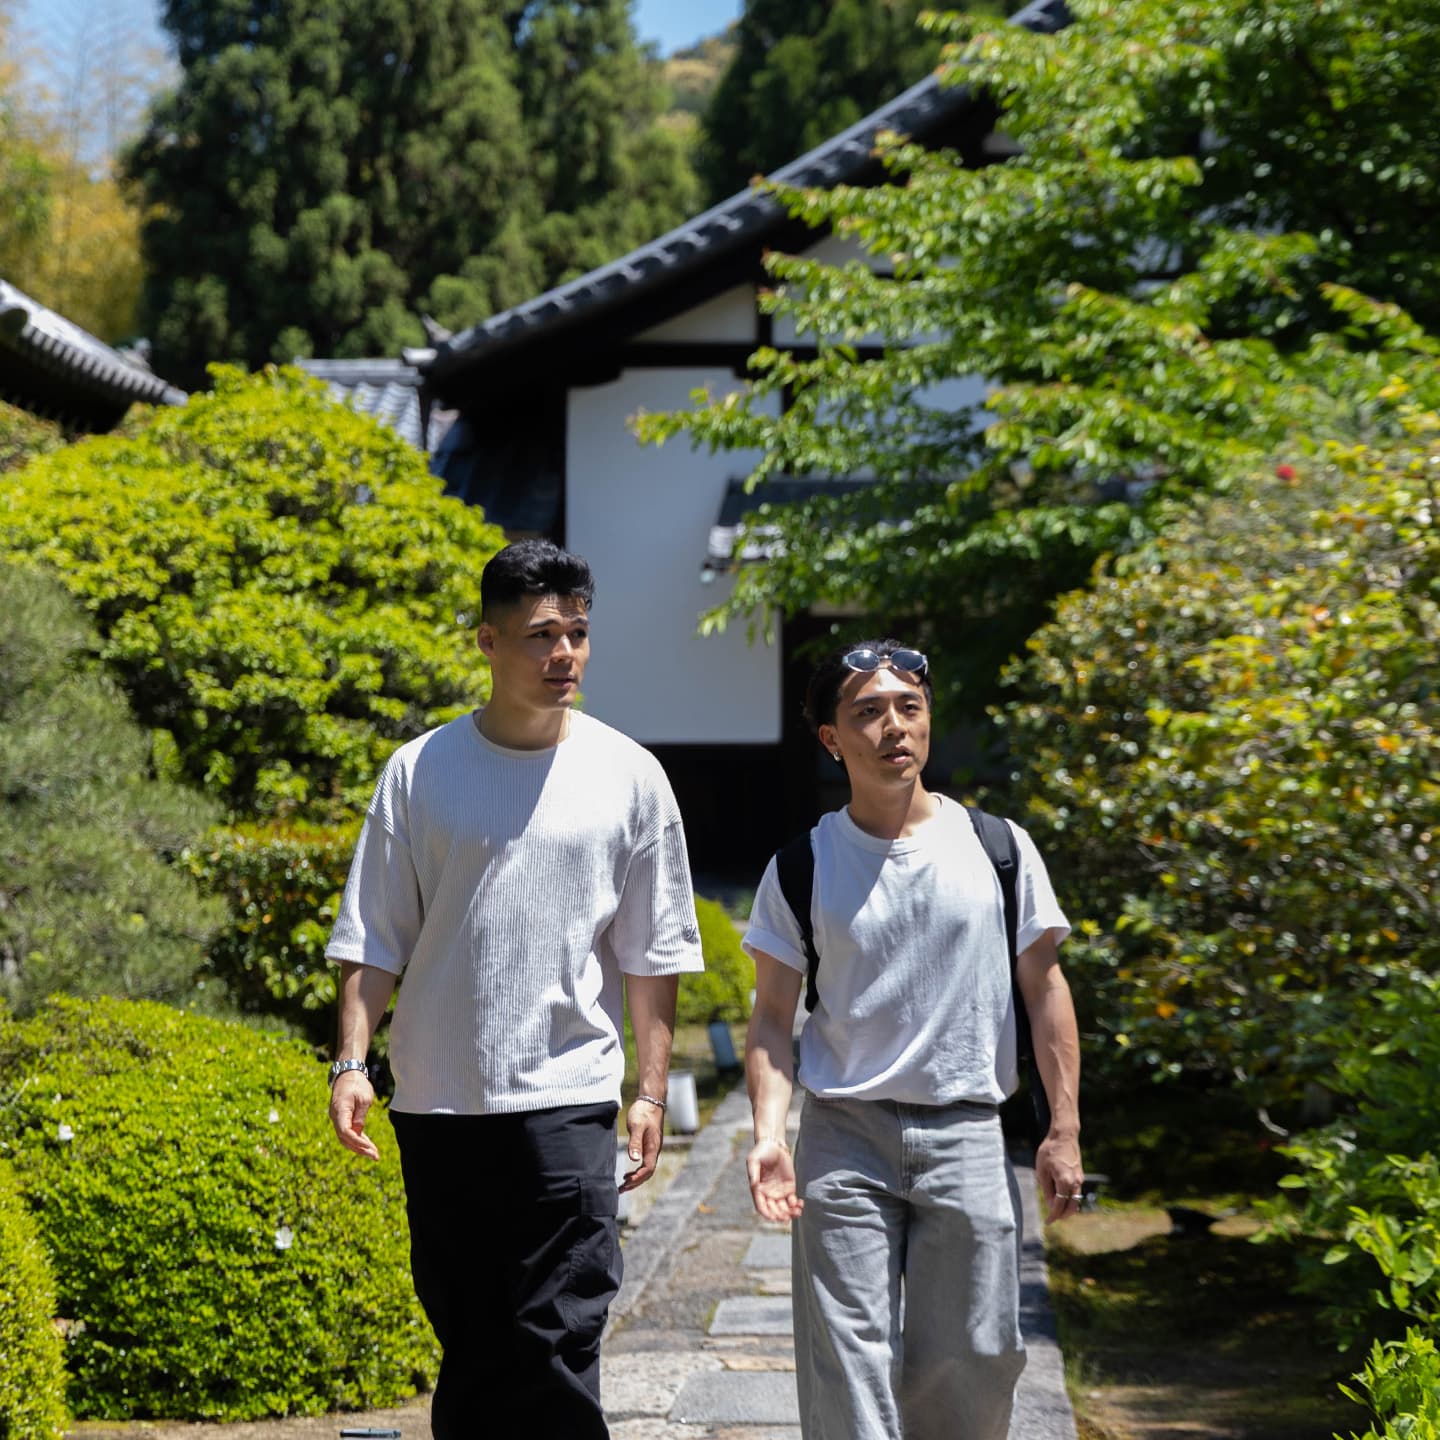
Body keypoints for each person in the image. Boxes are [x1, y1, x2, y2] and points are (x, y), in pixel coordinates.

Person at [325, 539, 704, 1440]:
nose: (563, 653)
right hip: (439, 1098)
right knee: (471, 1334)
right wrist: (350, 1061)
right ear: (488, 642)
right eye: (540, 635)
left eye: (577, 632)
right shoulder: (420, 771)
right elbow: (374, 934)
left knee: (558, 1331)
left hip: (567, 1095)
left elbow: (654, 951)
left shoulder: (630, 776)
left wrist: (649, 1092)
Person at [742, 638, 1083, 1440]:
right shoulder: (803, 865)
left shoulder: (998, 848)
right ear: (832, 737)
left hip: (967, 1130)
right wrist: (767, 1134)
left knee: (975, 1354)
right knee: (846, 1359)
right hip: (844, 1136)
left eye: (909, 707)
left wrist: (1061, 1130)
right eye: (868, 712)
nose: (894, 726)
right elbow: (769, 1018)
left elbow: (1047, 989)